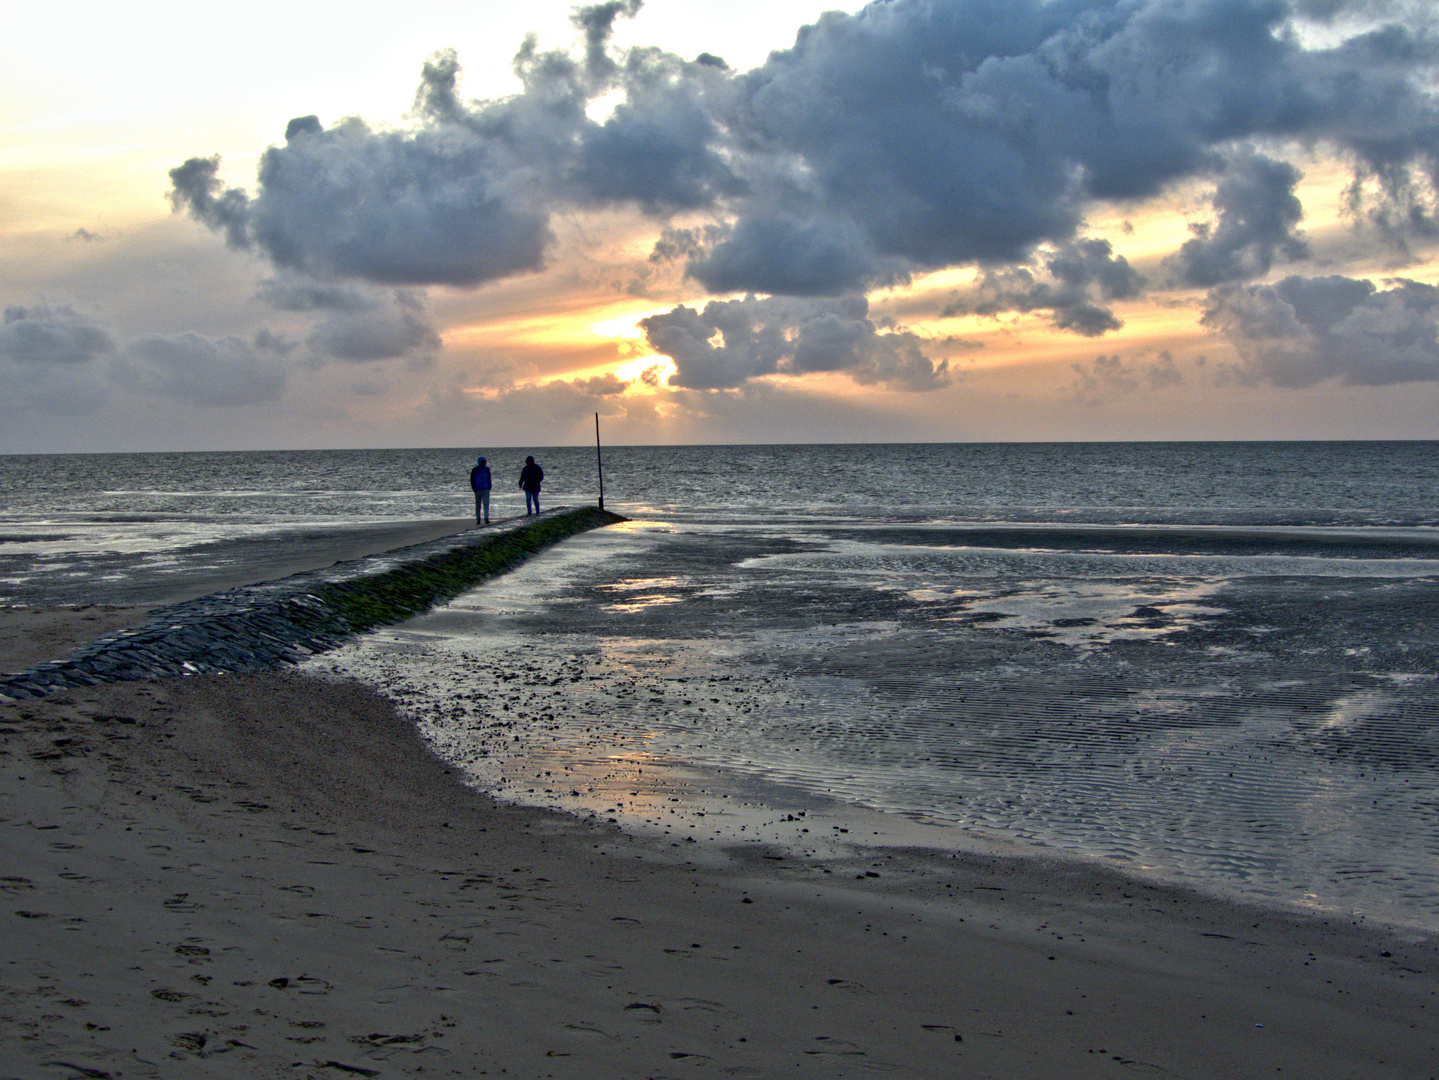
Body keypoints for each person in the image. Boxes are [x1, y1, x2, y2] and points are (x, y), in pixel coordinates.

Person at [469, 455, 492, 525]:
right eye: (483, 462)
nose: (484, 463)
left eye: (485, 462)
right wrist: (474, 488)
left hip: (485, 489)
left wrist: (489, 486)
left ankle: (486, 518)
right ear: (479, 462)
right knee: (478, 505)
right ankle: (478, 519)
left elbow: (489, 478)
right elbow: (472, 480)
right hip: (478, 490)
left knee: (486, 504)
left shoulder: (487, 469)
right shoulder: (475, 470)